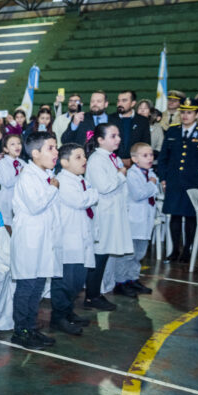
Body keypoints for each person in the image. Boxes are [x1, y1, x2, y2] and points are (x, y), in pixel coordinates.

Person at [9, 131, 63, 348]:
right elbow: (36, 205)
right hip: (29, 242)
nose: (56, 151)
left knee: (38, 286)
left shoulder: (44, 175)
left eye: (56, 147)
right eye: (50, 148)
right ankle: (20, 331)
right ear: (35, 153)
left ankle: (30, 327)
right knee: (27, 287)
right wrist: (54, 187)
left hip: (42, 240)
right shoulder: (28, 176)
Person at [159, 99, 198, 263]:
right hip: (174, 180)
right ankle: (174, 250)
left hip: (195, 181)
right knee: (174, 216)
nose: (185, 115)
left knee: (191, 217)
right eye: (183, 112)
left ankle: (187, 250)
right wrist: (163, 178)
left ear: (197, 114)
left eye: (189, 112)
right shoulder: (173, 131)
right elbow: (163, 158)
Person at [84, 123, 134, 305]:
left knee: (104, 253)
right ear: (100, 140)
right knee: (99, 253)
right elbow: (103, 187)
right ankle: (92, 295)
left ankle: (96, 293)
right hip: (103, 213)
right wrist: (121, 175)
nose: (118, 139)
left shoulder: (111, 158)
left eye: (118, 135)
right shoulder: (97, 159)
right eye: (113, 136)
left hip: (113, 211)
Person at [51, 144, 97, 333]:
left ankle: (68, 311)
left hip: (81, 236)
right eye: (78, 157)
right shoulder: (62, 180)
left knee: (77, 280)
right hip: (67, 240)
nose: (84, 160)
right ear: (64, 162)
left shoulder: (79, 180)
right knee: (65, 281)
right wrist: (94, 193)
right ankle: (58, 317)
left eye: (84, 156)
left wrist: (90, 193)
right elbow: (80, 201)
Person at [123, 143, 158, 295]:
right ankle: (123, 282)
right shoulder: (132, 174)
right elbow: (138, 194)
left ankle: (133, 279)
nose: (149, 158)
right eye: (145, 155)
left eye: (151, 155)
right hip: (134, 221)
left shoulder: (150, 173)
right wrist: (151, 184)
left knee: (140, 254)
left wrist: (151, 184)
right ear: (134, 159)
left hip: (146, 221)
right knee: (129, 254)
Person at [108, 91, 151, 166]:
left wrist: (132, 160)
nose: (120, 104)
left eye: (124, 100)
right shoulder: (110, 119)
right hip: (113, 164)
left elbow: (145, 144)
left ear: (133, 103)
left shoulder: (143, 121)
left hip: (136, 165)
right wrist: (118, 160)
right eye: (118, 101)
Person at [0, 134, 23, 223]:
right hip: (7, 198)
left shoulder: (22, 162)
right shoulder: (3, 163)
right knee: (9, 225)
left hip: (20, 197)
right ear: (6, 149)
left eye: (19, 143)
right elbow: (7, 182)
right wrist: (21, 174)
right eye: (12, 144)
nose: (17, 146)